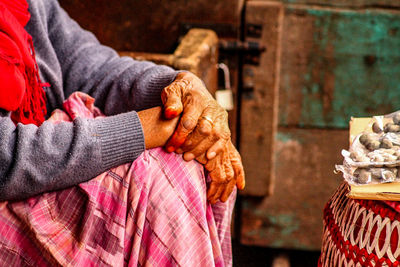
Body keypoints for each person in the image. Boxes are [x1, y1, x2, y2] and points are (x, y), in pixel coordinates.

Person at [0, 0, 244, 266]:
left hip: (47, 163)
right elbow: (5, 159)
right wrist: (144, 128)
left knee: (188, 162)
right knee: (162, 185)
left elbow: (92, 67)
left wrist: (178, 89)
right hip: (13, 188)